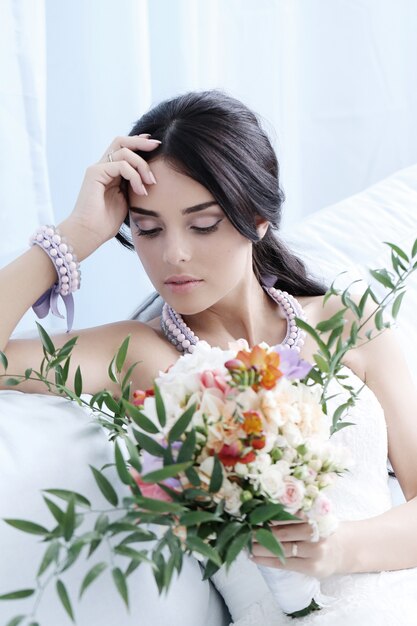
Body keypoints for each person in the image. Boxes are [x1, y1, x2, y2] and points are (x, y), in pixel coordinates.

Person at [1, 89, 417, 626]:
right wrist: (73, 236)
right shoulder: (140, 354)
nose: (173, 253)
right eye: (147, 229)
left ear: (259, 216)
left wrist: (338, 549)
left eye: (203, 225)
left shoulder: (343, 320)